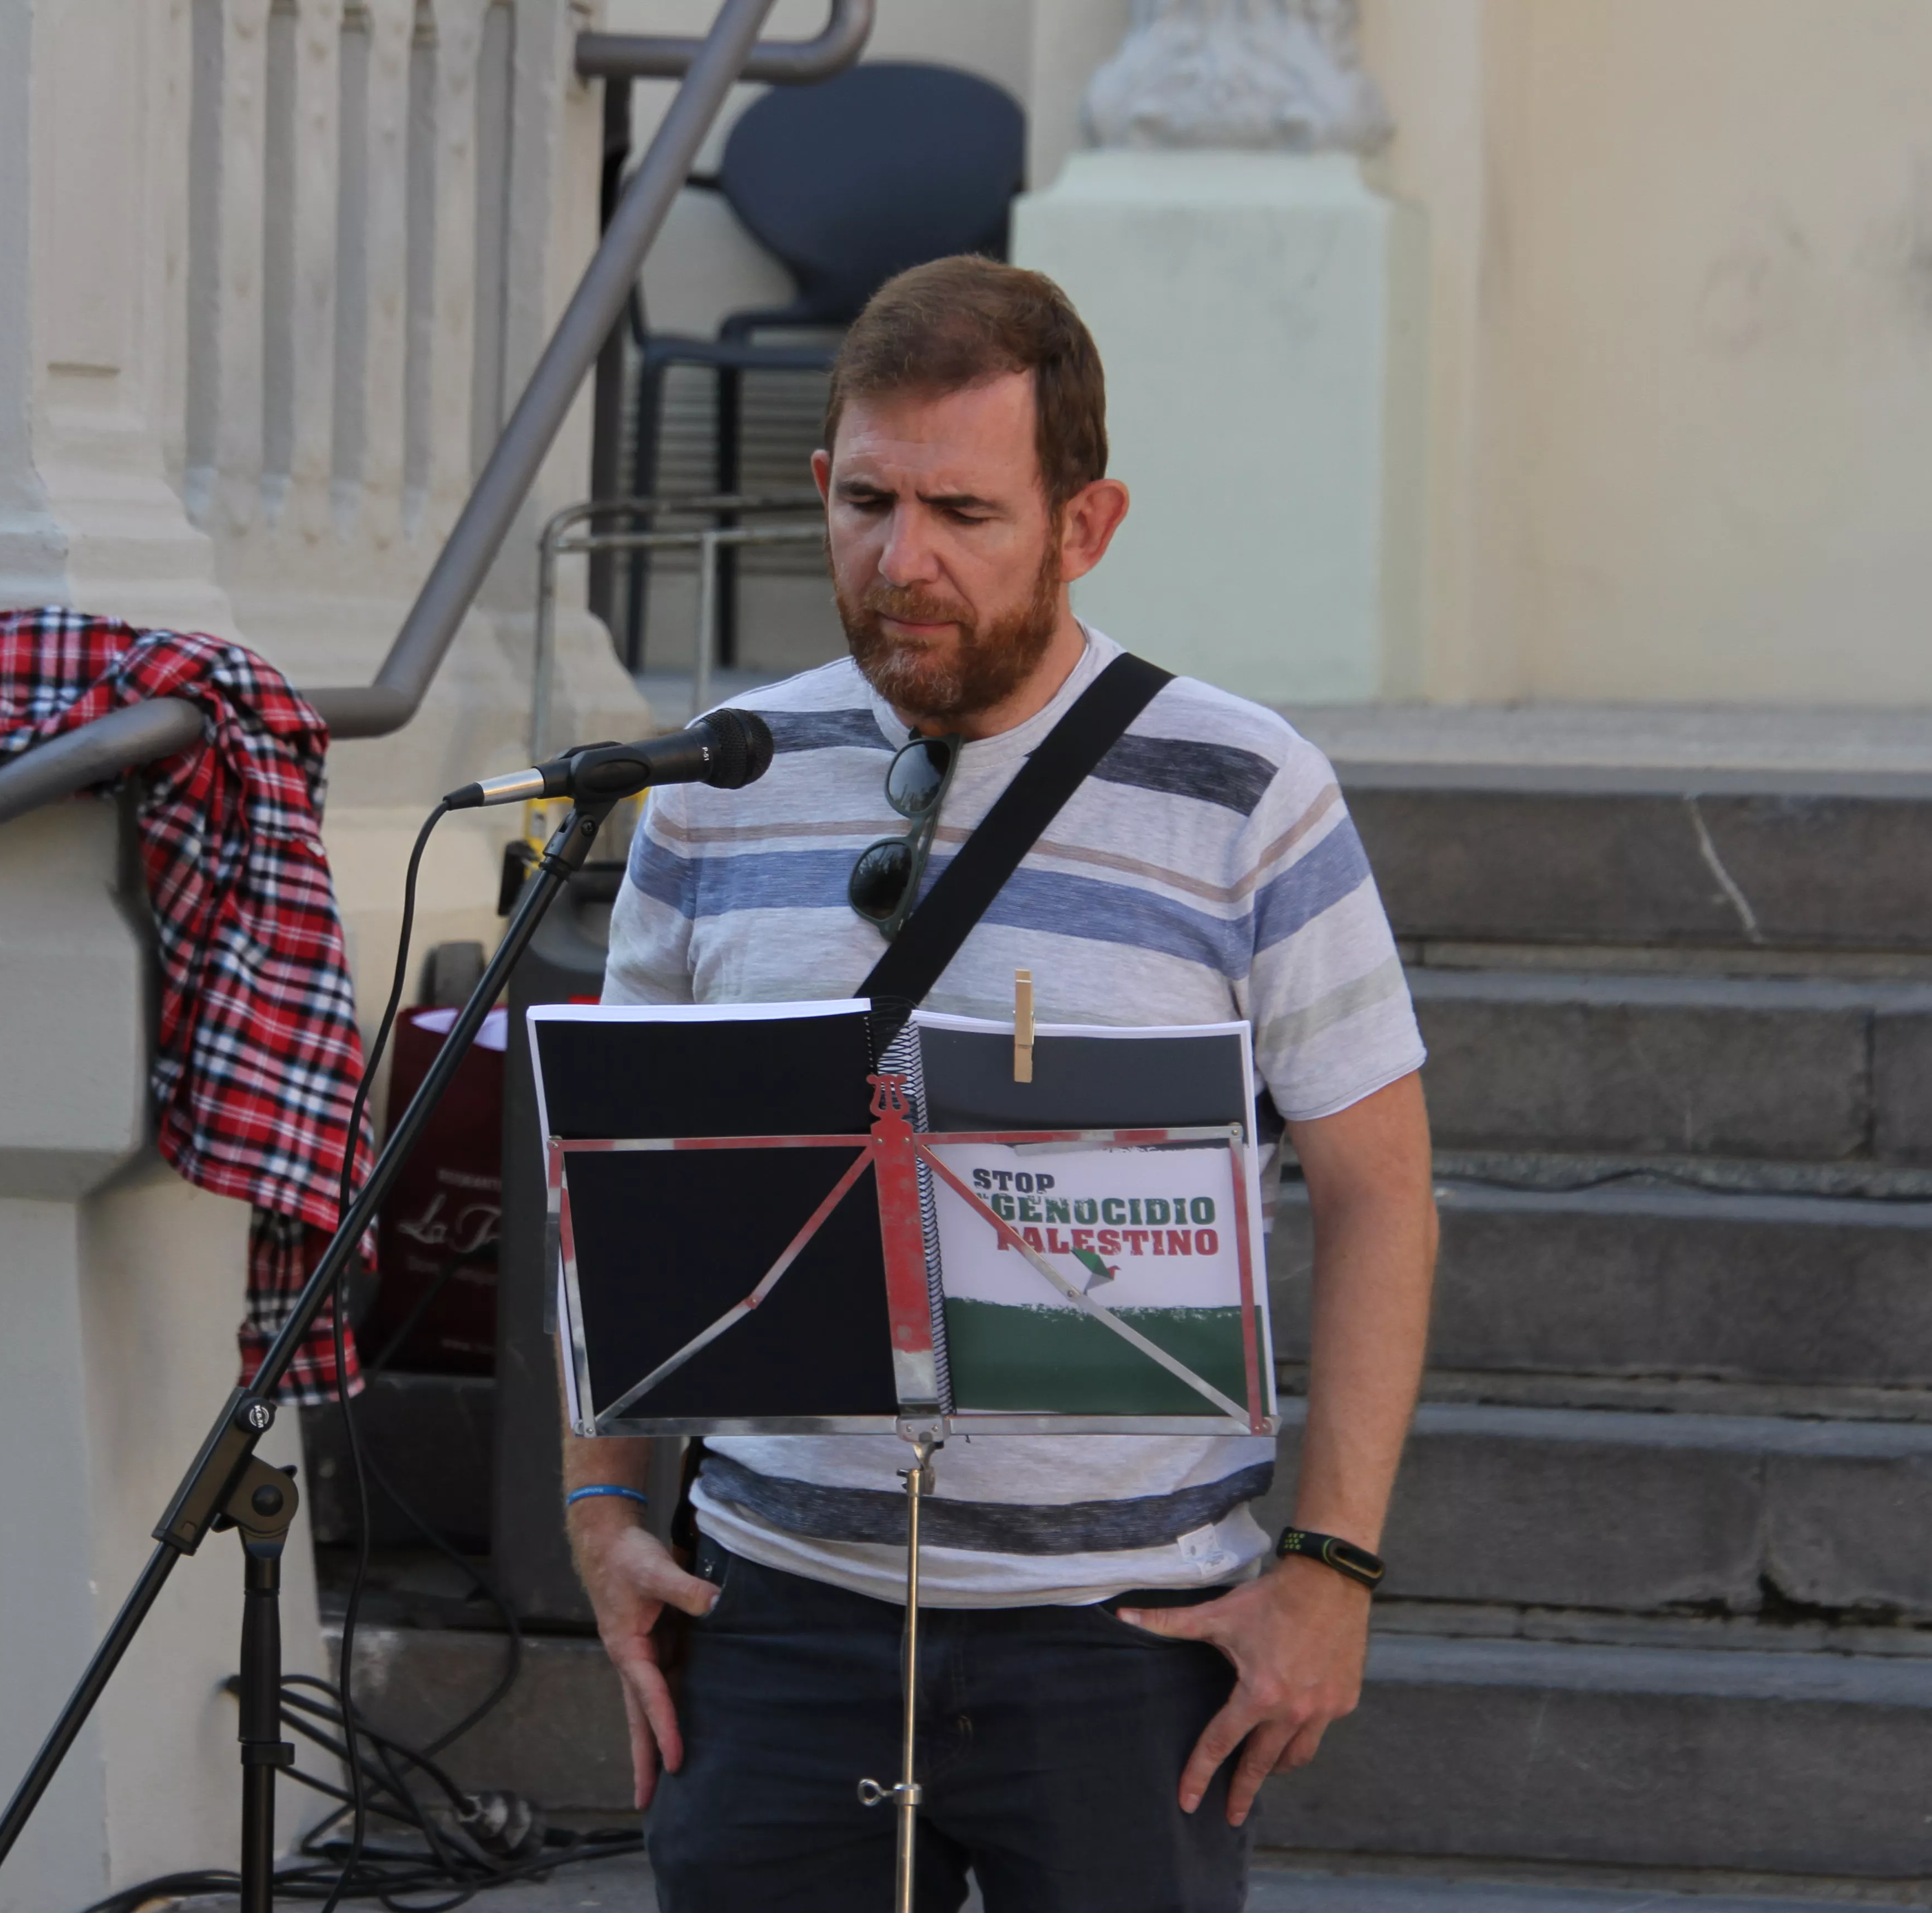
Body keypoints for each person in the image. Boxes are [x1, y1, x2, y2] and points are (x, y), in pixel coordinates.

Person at [564, 255, 1438, 1912]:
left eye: (966, 513)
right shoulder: (714, 788)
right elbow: (618, 1192)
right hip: (778, 1615)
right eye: (870, 503)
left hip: (1127, 1639)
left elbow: (1382, 1190)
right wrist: (602, 1511)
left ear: (1086, 523)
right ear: (820, 487)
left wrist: (1331, 1569)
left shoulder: (1249, 789)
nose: (906, 566)